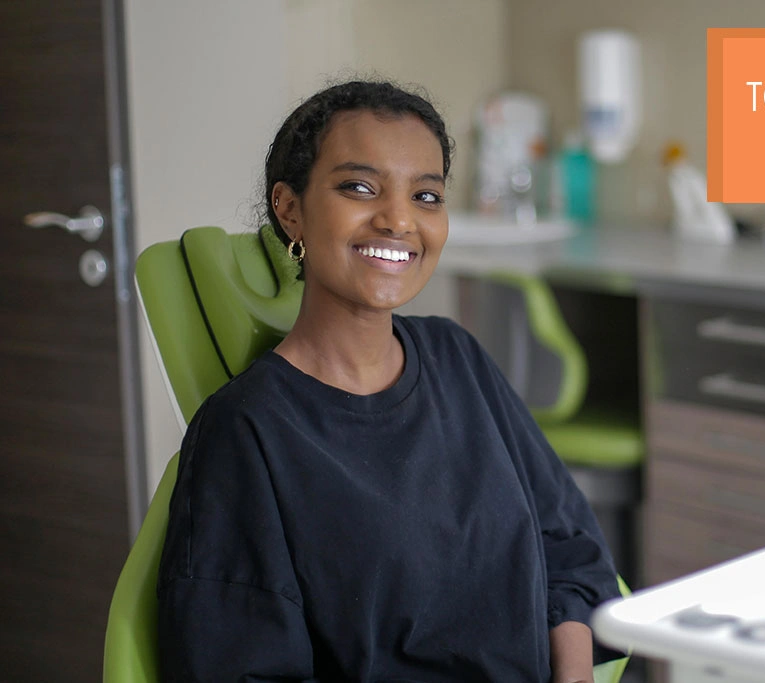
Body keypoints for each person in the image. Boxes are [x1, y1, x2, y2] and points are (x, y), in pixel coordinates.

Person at [156, 80, 624, 682]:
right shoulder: (245, 432)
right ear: (290, 208)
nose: (400, 219)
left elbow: (570, 550)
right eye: (359, 187)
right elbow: (237, 665)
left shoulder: (458, 359)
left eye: (426, 195)